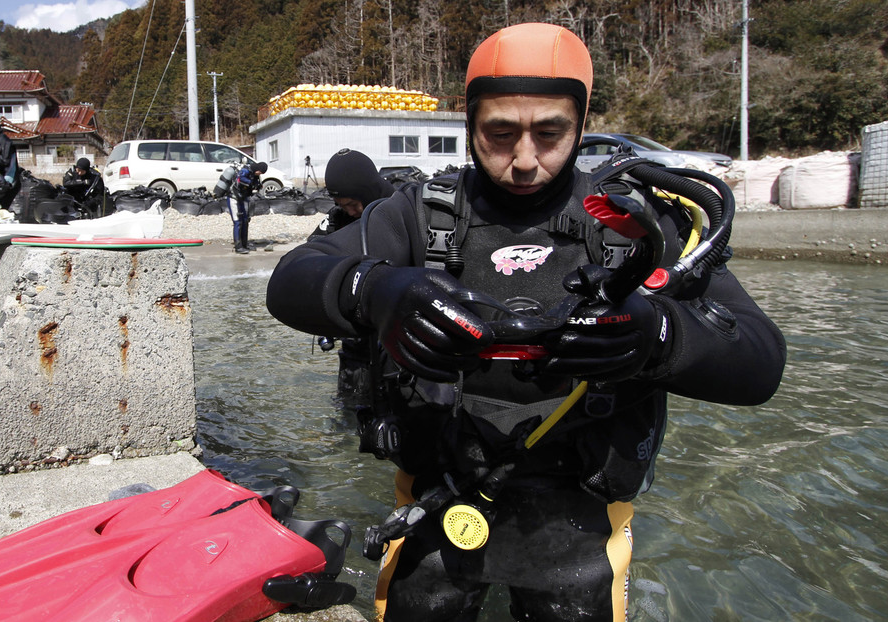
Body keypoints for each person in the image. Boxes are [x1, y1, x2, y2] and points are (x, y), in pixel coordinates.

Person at [266, 22, 786, 622]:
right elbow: (291, 279)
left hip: (583, 520)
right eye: (500, 133)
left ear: (581, 124)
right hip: (438, 501)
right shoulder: (417, 213)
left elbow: (761, 361)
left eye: (549, 133)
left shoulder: (642, 223)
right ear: (469, 125)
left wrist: (658, 336)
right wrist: (376, 288)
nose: (523, 160)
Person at [309, 149, 397, 404]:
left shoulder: (402, 208)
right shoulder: (340, 218)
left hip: (396, 333)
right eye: (341, 205)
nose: (348, 211)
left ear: (368, 191)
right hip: (358, 335)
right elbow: (311, 254)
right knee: (350, 406)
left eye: (352, 204)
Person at [308, 148, 396, 241]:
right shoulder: (338, 216)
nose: (350, 212)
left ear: (369, 194)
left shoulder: (399, 214)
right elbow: (311, 247)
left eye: (353, 205)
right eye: (342, 206)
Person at [229, 161, 267, 254]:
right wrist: (251, 183)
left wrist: (256, 185)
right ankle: (238, 247)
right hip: (233, 198)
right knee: (238, 222)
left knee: (245, 221)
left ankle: (244, 244)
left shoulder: (254, 175)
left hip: (242, 198)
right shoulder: (245, 171)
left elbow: (253, 185)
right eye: (260, 172)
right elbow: (240, 179)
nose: (260, 174)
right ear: (258, 170)